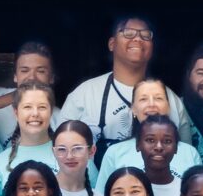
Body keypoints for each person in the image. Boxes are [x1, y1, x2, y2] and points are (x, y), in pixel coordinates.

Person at [60, 16, 156, 156]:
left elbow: (183, 156)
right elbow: (61, 150)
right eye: (128, 33)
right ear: (112, 44)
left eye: (146, 35)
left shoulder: (170, 100)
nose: (138, 38)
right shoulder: (83, 95)